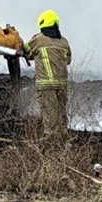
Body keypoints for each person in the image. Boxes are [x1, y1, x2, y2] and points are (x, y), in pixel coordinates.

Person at [23, 10, 72, 139]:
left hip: (45, 84)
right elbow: (68, 60)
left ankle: (51, 142)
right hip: (61, 84)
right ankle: (63, 139)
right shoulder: (64, 42)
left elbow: (26, 51)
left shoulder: (39, 40)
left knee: (49, 114)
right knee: (61, 113)